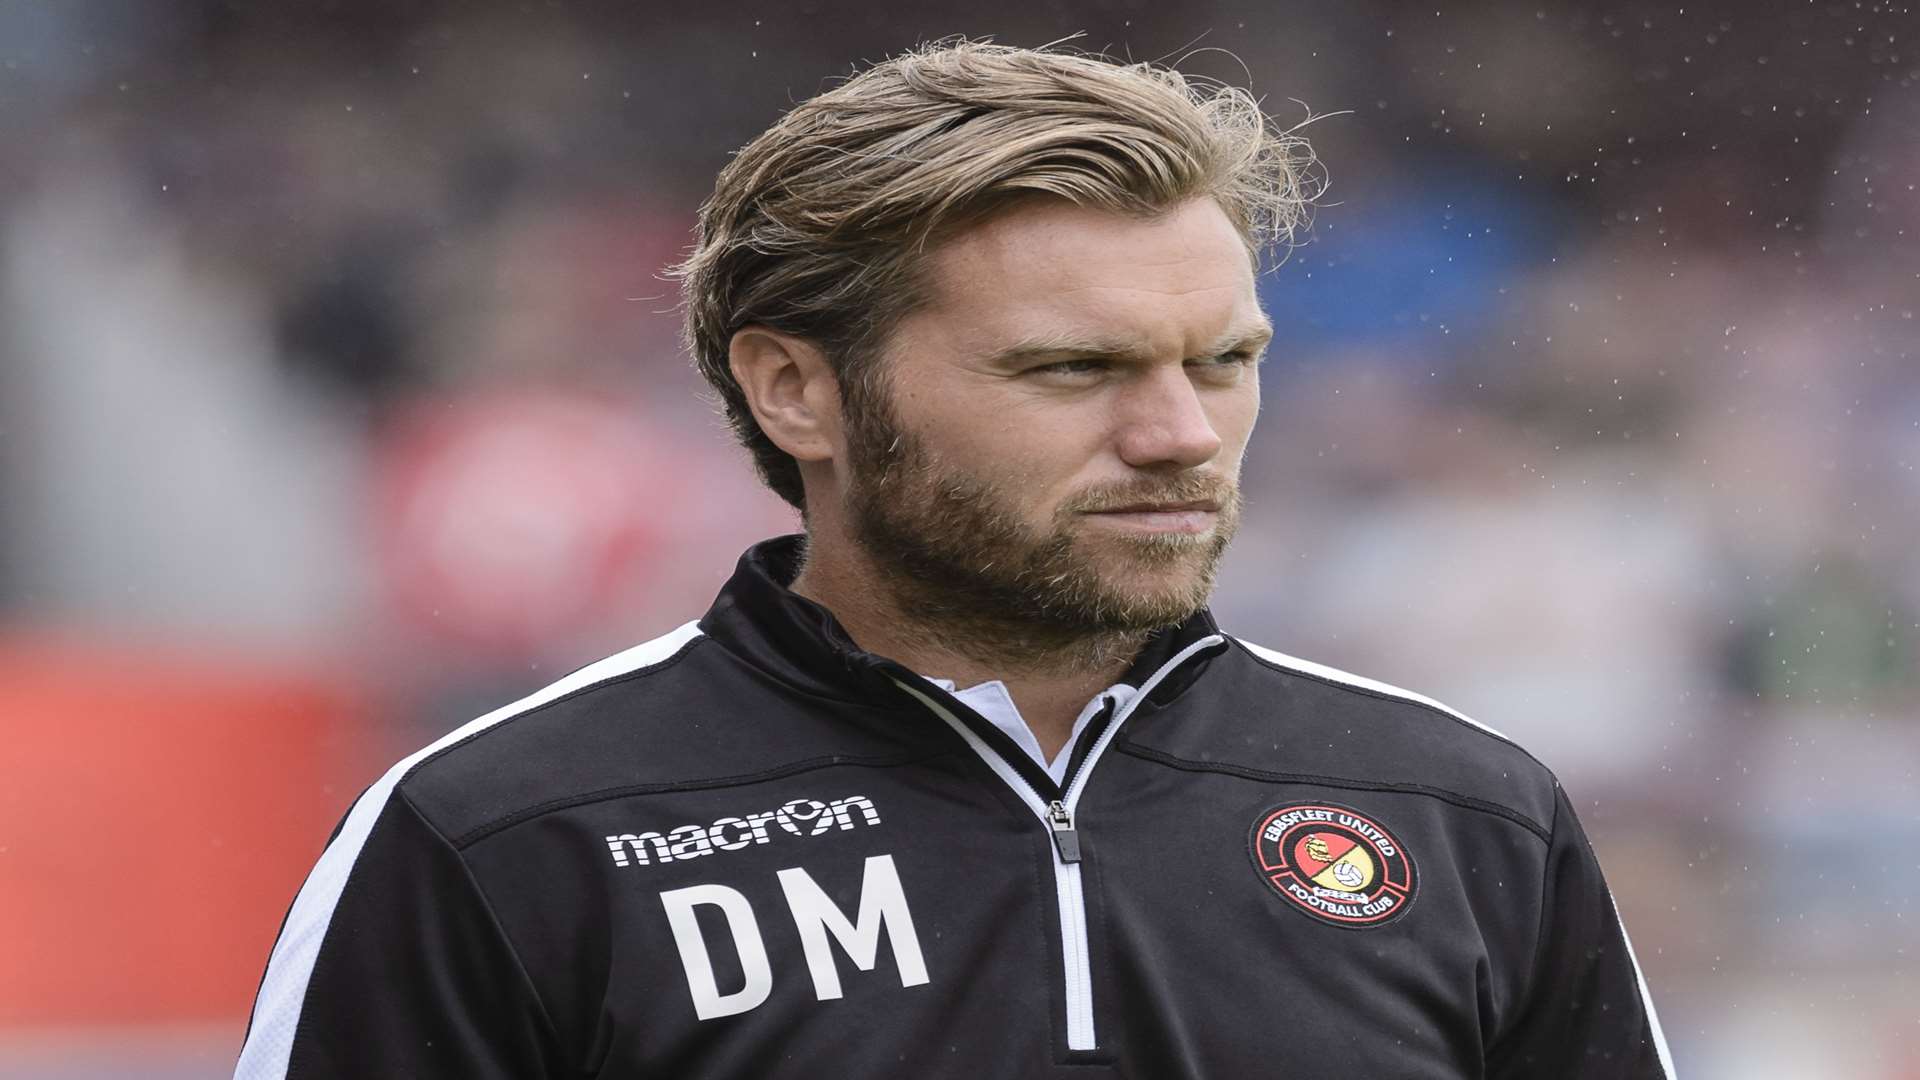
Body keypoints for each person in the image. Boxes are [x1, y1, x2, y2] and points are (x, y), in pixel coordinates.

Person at [234, 40, 1673, 1078]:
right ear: (797, 390)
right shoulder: (506, 834)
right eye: (1070, 368)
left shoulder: (1463, 815)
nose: (1182, 434)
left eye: (1224, 362)